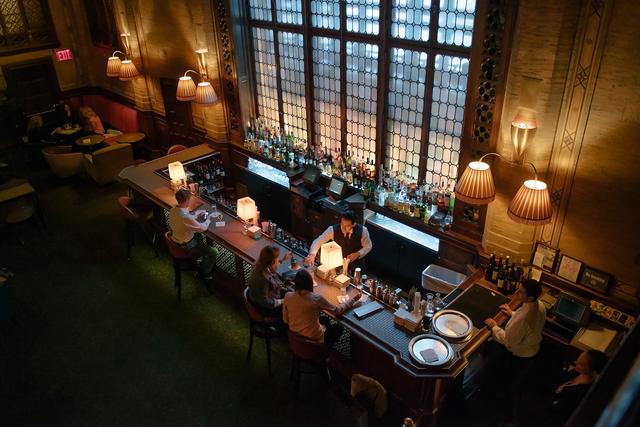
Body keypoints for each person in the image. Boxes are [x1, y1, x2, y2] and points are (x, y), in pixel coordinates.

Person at [483, 279, 546, 419]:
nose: (517, 292)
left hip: (520, 356)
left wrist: (494, 326)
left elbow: (508, 341)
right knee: (514, 381)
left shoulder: (524, 318)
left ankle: (508, 417)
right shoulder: (540, 305)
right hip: (532, 351)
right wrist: (512, 313)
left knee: (510, 386)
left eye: (521, 292)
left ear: (530, 297)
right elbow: (527, 323)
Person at [282, 269, 360, 346]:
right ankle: (326, 349)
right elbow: (337, 311)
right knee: (338, 327)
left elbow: (285, 320)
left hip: (294, 335)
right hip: (314, 340)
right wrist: (353, 299)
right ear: (310, 283)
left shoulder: (288, 296)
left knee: (325, 319)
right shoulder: (316, 299)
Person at [548, 350, 608, 426]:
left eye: (581, 364)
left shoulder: (582, 391)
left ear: (593, 372)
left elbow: (562, 410)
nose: (575, 362)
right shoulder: (577, 372)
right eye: (578, 359)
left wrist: (556, 395)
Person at [168, 188, 217, 280]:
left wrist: (196, 217)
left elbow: (186, 219)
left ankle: (198, 258)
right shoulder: (185, 217)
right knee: (213, 252)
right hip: (187, 245)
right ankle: (204, 272)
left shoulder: (173, 210)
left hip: (176, 239)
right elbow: (203, 228)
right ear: (187, 200)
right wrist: (209, 219)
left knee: (198, 235)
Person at [304, 211, 372, 274]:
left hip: (356, 266)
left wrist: (358, 253)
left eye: (347, 226)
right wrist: (312, 254)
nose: (343, 228)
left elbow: (368, 246)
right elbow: (318, 241)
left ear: (353, 224)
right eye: (342, 224)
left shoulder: (363, 231)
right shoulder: (332, 229)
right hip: (338, 264)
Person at [247, 245, 291, 317]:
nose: (278, 260)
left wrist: (283, 259)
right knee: (290, 306)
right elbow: (266, 302)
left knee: (289, 294)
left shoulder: (259, 265)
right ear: (272, 262)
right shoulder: (264, 279)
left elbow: (272, 268)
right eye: (277, 259)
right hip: (265, 307)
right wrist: (282, 301)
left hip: (257, 297)